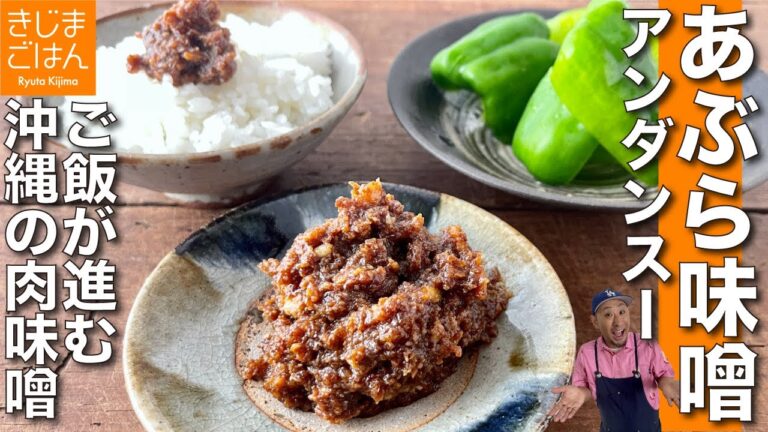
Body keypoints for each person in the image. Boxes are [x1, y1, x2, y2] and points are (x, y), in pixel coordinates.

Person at [548, 288, 681, 431]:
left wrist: (668, 383)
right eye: (608, 314)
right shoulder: (587, 353)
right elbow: (586, 388)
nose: (618, 322)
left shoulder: (647, 344)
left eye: (622, 312)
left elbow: (663, 375)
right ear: (595, 322)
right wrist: (580, 393)